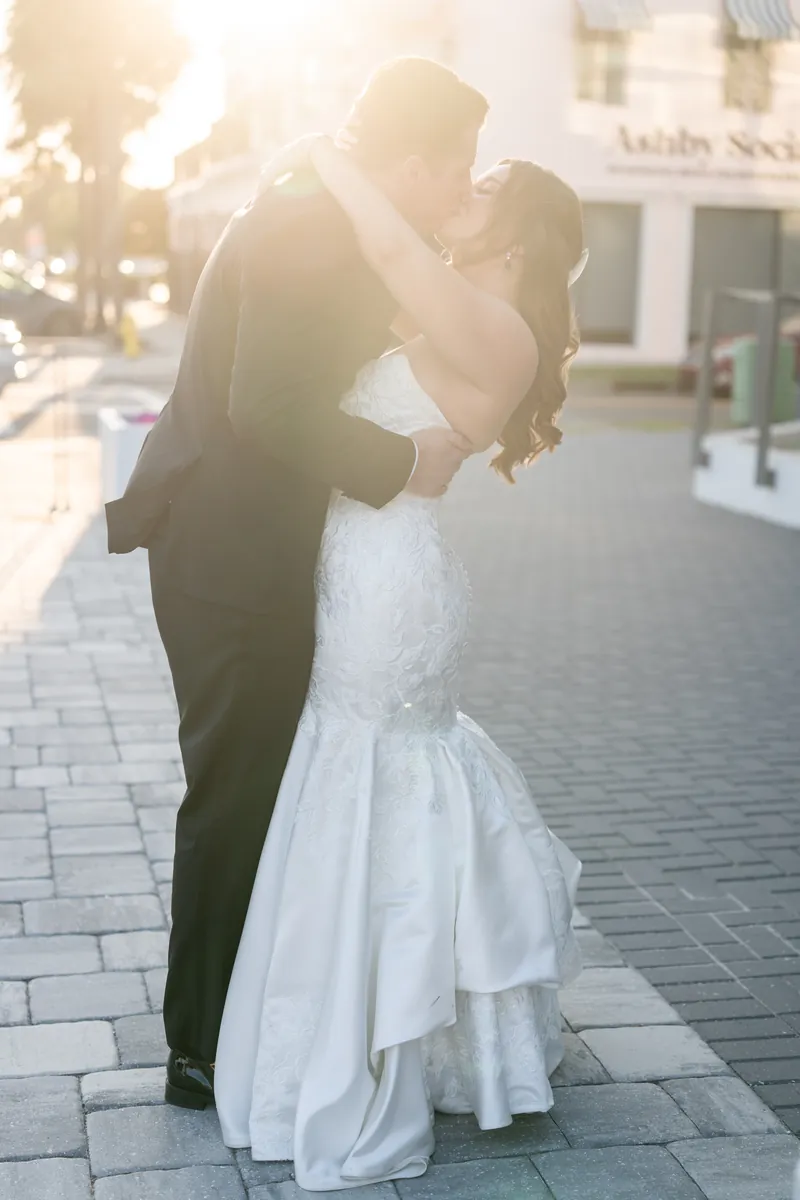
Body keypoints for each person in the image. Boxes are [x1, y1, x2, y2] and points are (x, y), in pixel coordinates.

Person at [104, 57, 489, 1109]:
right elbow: (268, 406)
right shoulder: (309, 224)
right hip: (229, 558)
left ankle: (240, 1015)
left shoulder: (318, 200)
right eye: (458, 166)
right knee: (234, 797)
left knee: (256, 789)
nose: (465, 185)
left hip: (240, 546)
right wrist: (404, 460)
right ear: (411, 164)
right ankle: (199, 1049)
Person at [213, 135, 586, 1191]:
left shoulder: (497, 327)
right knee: (372, 776)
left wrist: (332, 155)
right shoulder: (455, 311)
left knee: (370, 772)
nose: (467, 185)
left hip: (387, 586)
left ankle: (369, 1042)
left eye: (488, 183)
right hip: (363, 561)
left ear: (521, 238)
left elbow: (384, 247)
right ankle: (417, 1021)